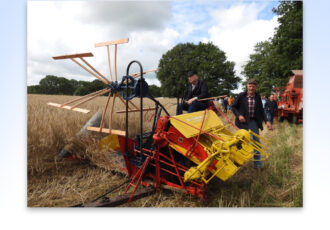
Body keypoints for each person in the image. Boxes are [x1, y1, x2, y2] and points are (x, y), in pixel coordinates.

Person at [232, 79, 272, 169]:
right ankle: (236, 162)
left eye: (253, 86)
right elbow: (233, 107)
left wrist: (267, 121)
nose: (251, 88)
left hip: (253, 122)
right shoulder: (241, 96)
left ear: (256, 87)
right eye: (250, 86)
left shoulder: (257, 97)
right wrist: (239, 115)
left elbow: (261, 111)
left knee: (256, 143)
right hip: (243, 123)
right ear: (247, 86)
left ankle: (257, 165)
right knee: (241, 142)